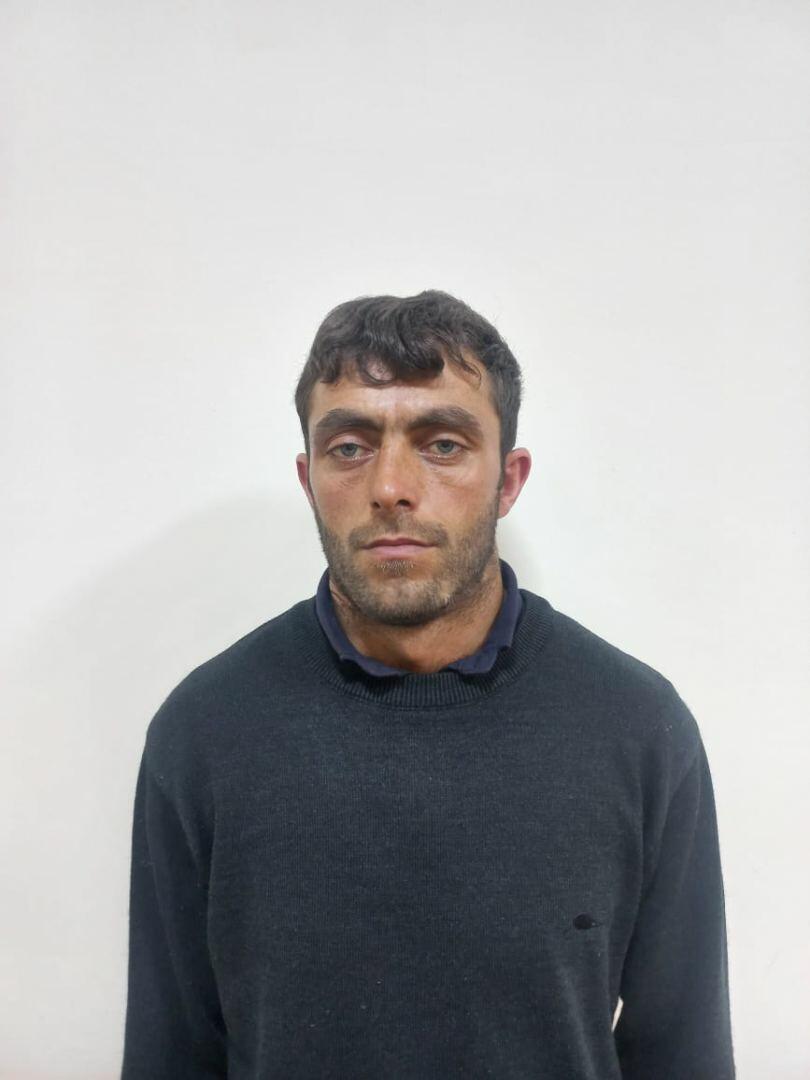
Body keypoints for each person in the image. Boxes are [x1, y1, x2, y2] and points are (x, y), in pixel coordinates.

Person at [120, 289, 736, 1079]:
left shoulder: (639, 728)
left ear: (508, 480)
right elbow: (170, 1056)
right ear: (308, 479)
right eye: (350, 446)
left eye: (442, 443)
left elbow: (684, 1055)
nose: (391, 486)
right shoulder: (204, 732)